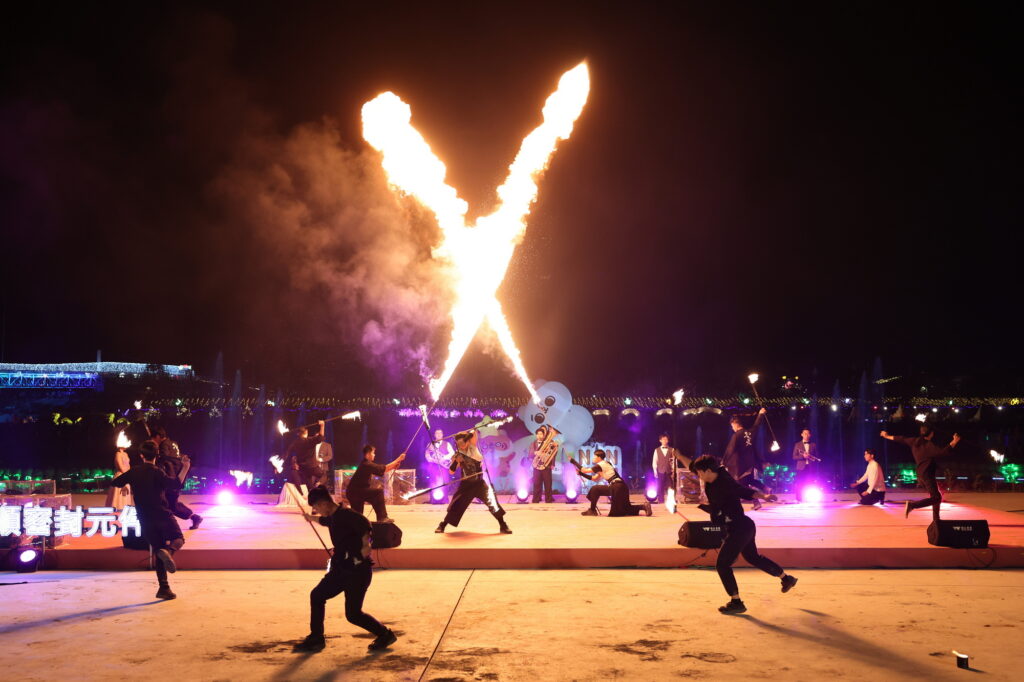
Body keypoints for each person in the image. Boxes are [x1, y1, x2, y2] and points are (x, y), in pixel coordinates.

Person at [295, 487, 397, 653]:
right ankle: (316, 638)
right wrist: (310, 517)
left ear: (323, 503)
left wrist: (365, 546)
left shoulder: (348, 516)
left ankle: (385, 635)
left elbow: (366, 525)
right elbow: (323, 521)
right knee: (317, 595)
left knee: (353, 614)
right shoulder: (332, 517)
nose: (317, 511)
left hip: (357, 571)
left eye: (317, 508)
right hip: (340, 569)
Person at [690, 455, 797, 614]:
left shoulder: (725, 482)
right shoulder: (711, 481)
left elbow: (744, 491)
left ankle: (736, 602)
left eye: (699, 472)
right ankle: (786, 579)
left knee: (722, 564)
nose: (697, 475)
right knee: (753, 558)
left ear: (707, 471)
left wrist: (764, 496)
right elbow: (716, 503)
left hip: (740, 528)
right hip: (743, 526)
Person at [111, 441, 189, 600]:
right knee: (178, 539)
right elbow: (175, 485)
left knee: (158, 551)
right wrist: (185, 467)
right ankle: (168, 552)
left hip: (144, 518)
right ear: (157, 455)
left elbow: (116, 482)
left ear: (141, 455)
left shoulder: (134, 471)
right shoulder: (157, 472)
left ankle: (164, 588)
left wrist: (127, 479)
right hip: (162, 514)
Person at [435, 430, 511, 535]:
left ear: (467, 441)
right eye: (458, 444)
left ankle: (503, 525)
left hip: (479, 483)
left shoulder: (473, 447)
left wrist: (464, 432)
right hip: (466, 485)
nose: (461, 446)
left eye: (463, 443)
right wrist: (457, 461)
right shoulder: (458, 454)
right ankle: (442, 524)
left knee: (492, 502)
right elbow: (451, 471)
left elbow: (474, 432)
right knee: (456, 505)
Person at [881, 425, 960, 520]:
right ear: (931, 434)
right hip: (927, 475)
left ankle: (936, 519)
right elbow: (943, 452)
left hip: (920, 474)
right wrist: (954, 442)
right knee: (936, 497)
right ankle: (912, 505)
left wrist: (887, 436)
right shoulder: (929, 446)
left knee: (935, 496)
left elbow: (901, 439)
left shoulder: (914, 441)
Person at [151, 427, 203, 530]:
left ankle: (193, 518)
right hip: (178, 475)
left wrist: (156, 455)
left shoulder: (164, 445)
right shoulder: (173, 443)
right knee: (170, 503)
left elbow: (164, 458)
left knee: (170, 504)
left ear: (157, 436)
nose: (153, 441)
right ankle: (194, 517)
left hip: (171, 477)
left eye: (153, 438)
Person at [577, 449, 652, 517]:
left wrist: (573, 462)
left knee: (595, 489)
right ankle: (644, 506)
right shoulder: (605, 465)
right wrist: (581, 474)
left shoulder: (601, 464)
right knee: (626, 508)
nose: (593, 458)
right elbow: (594, 479)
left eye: (594, 456)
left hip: (616, 486)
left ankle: (592, 510)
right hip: (622, 486)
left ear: (599, 457)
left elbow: (584, 470)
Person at [723, 408, 770, 509]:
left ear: (736, 424)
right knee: (749, 480)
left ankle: (756, 500)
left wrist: (723, 462)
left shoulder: (736, 435)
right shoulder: (750, 432)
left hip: (741, 465)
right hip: (751, 463)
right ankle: (764, 488)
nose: (732, 428)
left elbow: (730, 450)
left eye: (732, 426)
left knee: (742, 485)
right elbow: (756, 426)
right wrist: (760, 414)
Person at [346, 446, 406, 522]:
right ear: (368, 454)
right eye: (373, 453)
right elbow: (383, 468)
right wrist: (399, 459)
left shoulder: (365, 464)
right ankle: (382, 517)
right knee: (378, 492)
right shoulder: (366, 464)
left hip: (354, 492)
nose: (374, 455)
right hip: (357, 492)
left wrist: (393, 467)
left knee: (358, 517)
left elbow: (382, 470)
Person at [286, 420, 327, 491]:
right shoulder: (308, 441)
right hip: (312, 467)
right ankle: (318, 483)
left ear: (298, 433)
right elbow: (320, 438)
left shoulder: (295, 443)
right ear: (306, 432)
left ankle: (311, 495)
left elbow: (289, 454)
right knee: (323, 475)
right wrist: (322, 425)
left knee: (310, 485)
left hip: (303, 468)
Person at [651, 434, 687, 503]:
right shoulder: (657, 450)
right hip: (660, 471)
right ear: (660, 440)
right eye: (663, 439)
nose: (665, 441)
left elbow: (674, 461)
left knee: (670, 487)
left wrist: (674, 470)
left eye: (666, 439)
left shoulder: (672, 450)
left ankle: (671, 501)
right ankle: (661, 501)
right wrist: (655, 471)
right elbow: (654, 461)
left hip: (669, 472)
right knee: (660, 487)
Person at [791, 429, 821, 502]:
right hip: (801, 467)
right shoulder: (797, 444)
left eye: (808, 434)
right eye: (805, 433)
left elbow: (817, 456)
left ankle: (810, 498)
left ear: (810, 435)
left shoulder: (813, 444)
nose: (806, 435)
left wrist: (810, 457)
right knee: (800, 483)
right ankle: (798, 499)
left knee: (811, 482)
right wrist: (803, 457)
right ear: (802, 434)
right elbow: (794, 456)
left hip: (811, 467)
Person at [105, 434, 134, 509]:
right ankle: (117, 508)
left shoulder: (126, 454)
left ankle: (125, 508)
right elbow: (120, 466)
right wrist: (126, 474)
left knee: (126, 493)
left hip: (126, 475)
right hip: (120, 475)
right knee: (119, 494)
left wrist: (129, 474)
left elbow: (128, 465)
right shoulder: (118, 454)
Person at [530, 426, 557, 503]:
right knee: (536, 483)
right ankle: (536, 499)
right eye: (538, 434)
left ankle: (548, 500)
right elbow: (530, 454)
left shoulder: (549, 443)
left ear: (544, 435)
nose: (539, 435)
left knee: (548, 484)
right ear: (536, 435)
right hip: (536, 466)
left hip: (546, 466)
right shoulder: (533, 443)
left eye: (541, 434)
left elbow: (553, 453)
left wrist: (552, 464)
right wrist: (536, 452)